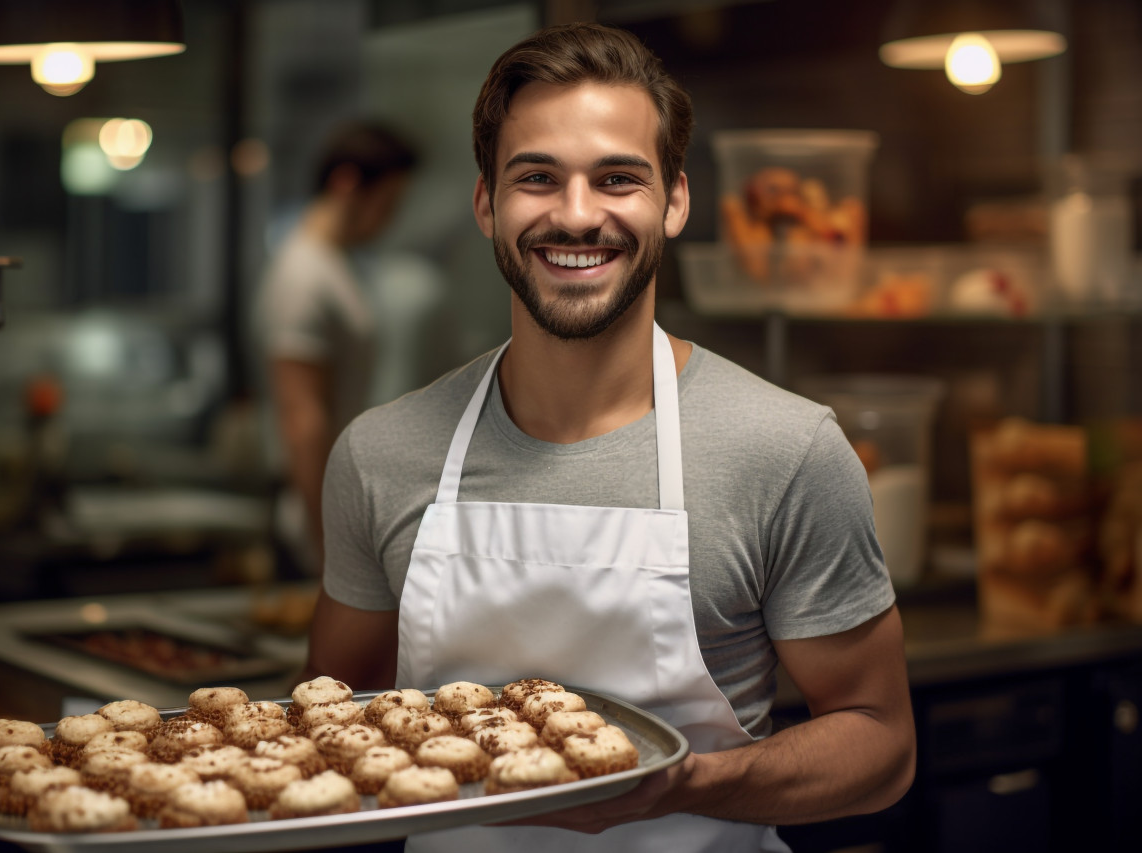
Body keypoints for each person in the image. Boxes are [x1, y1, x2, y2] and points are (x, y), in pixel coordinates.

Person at [297, 22, 915, 852]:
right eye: (536, 178)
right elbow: (330, 725)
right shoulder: (381, 453)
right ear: (487, 204)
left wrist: (684, 785)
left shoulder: (786, 449)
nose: (577, 215)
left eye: (617, 178)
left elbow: (881, 740)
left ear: (676, 200)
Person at [257, 121, 419, 575]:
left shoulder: (332, 266)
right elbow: (302, 418)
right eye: (387, 203)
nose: (389, 219)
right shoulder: (302, 277)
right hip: (307, 517)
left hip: (336, 505)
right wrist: (325, 543)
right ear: (347, 183)